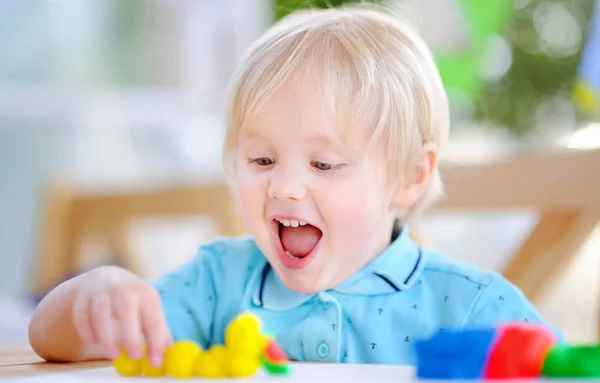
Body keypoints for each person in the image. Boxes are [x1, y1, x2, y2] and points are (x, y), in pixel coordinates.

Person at [28, 4, 562, 367]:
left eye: (325, 165)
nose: (284, 186)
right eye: (261, 158)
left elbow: (566, 372)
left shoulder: (470, 307)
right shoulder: (220, 285)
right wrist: (92, 299)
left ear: (409, 176)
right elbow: (48, 342)